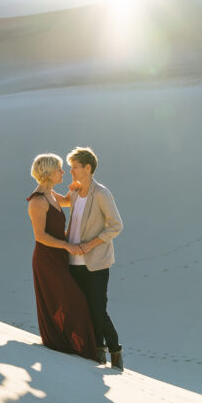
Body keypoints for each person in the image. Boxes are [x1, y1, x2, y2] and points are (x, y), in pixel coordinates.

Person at [27, 153, 98, 362]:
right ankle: (68, 346)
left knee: (67, 301)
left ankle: (71, 347)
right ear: (48, 173)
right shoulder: (37, 201)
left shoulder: (51, 194)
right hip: (47, 259)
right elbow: (40, 237)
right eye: (59, 169)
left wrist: (77, 188)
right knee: (74, 301)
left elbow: (68, 202)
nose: (63, 172)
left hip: (59, 257)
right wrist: (68, 246)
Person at [66, 147, 124, 371]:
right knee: (83, 308)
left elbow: (116, 226)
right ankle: (97, 351)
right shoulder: (75, 191)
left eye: (75, 167)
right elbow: (64, 204)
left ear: (87, 168)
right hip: (73, 262)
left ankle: (115, 351)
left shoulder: (101, 193)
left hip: (96, 262)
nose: (71, 171)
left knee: (98, 309)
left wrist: (90, 244)